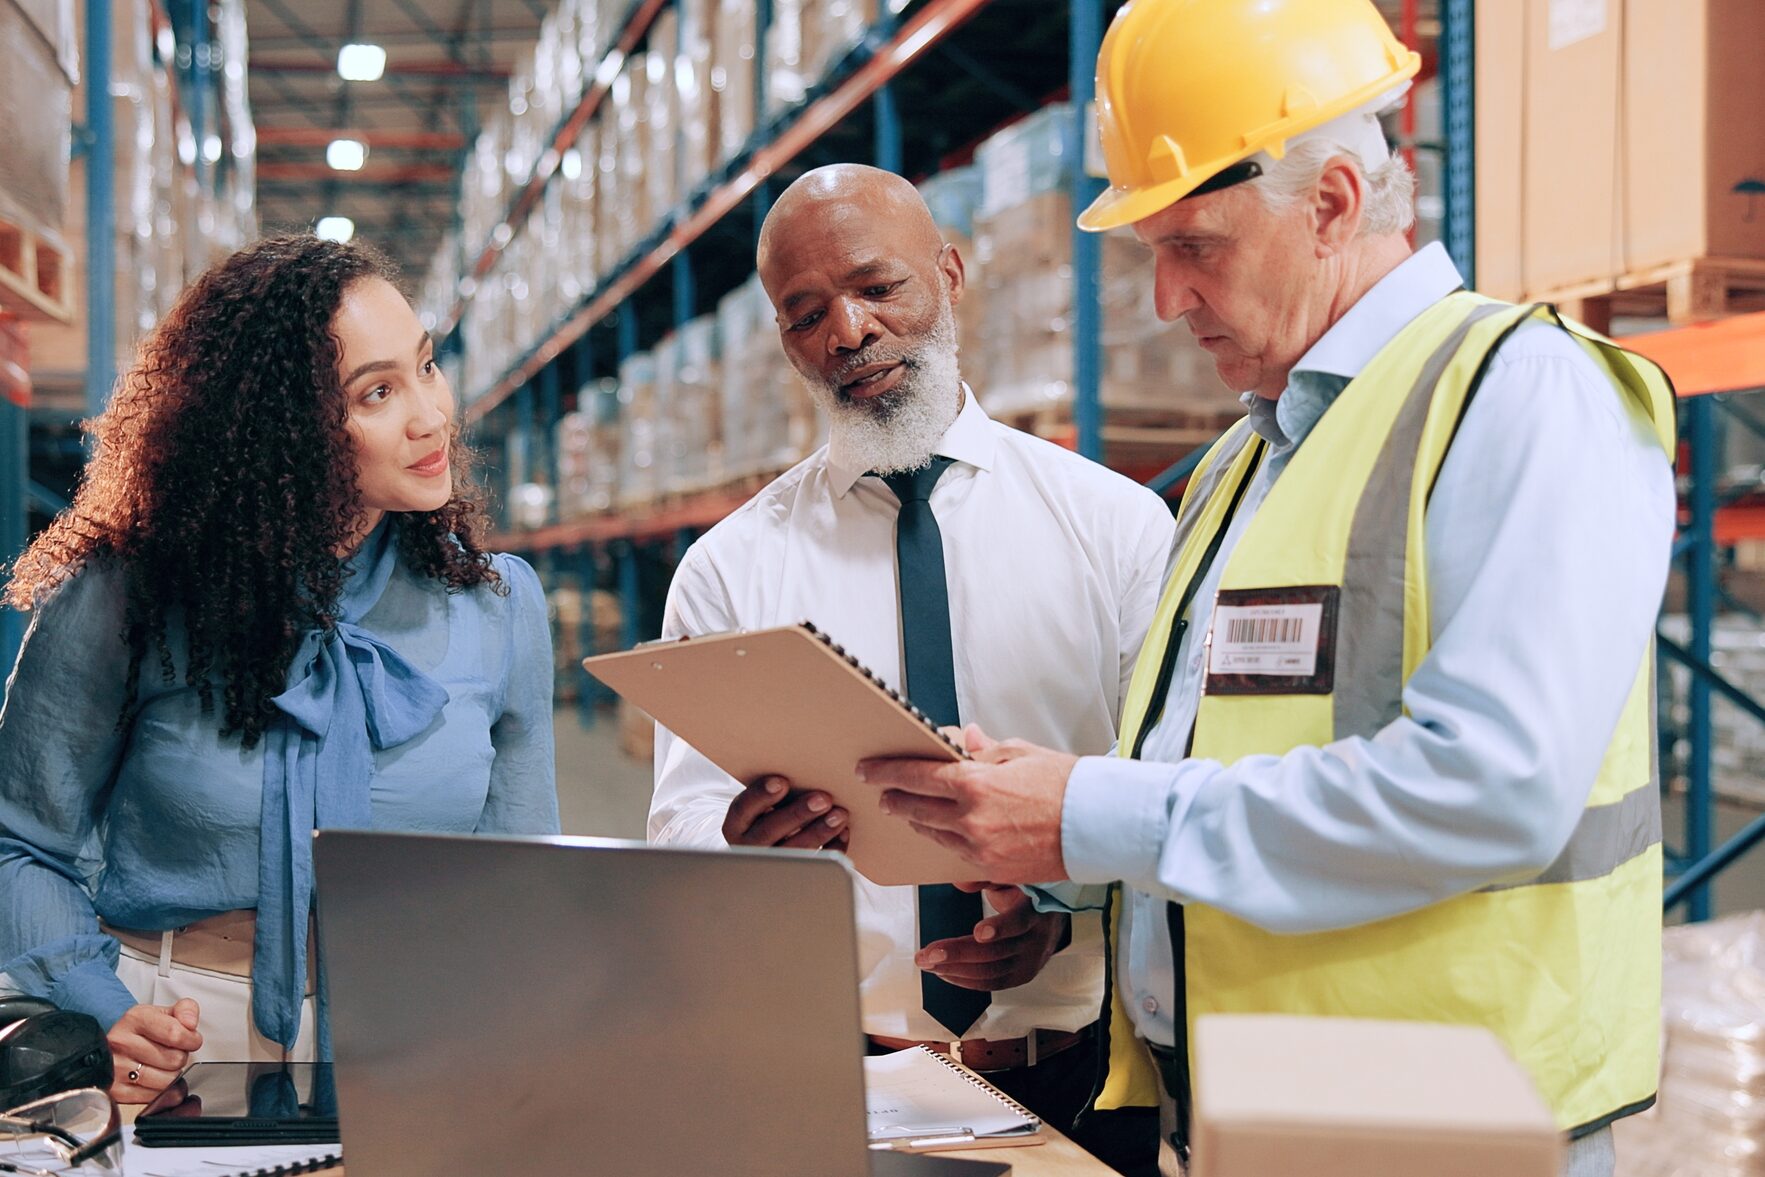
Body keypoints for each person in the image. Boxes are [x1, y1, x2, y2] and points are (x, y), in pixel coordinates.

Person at [857, 4, 1677, 1176]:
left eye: (1195, 244)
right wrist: (1060, 881)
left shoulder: (1522, 398)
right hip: (1245, 1120)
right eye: (1153, 253)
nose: (1164, 300)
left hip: (1450, 1132)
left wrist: (1090, 811)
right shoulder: (1245, 464)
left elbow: (1492, 787)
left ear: (1333, 203)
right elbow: (1233, 764)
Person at [648, 164, 1174, 1172]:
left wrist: (1061, 907)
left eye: (876, 286)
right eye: (806, 315)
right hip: (835, 1085)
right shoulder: (730, 571)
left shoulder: (1113, 528)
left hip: (1078, 1076)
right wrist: (740, 846)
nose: (848, 332)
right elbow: (677, 822)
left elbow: (1168, 795)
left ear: (950, 273)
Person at [0, 234, 559, 1102]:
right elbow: (18, 843)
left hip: (417, 1034)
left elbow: (524, 878)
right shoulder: (127, 596)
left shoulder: (499, 605)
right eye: (376, 392)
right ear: (278, 429)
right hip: (178, 1037)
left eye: (426, 368)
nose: (429, 416)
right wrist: (98, 1009)